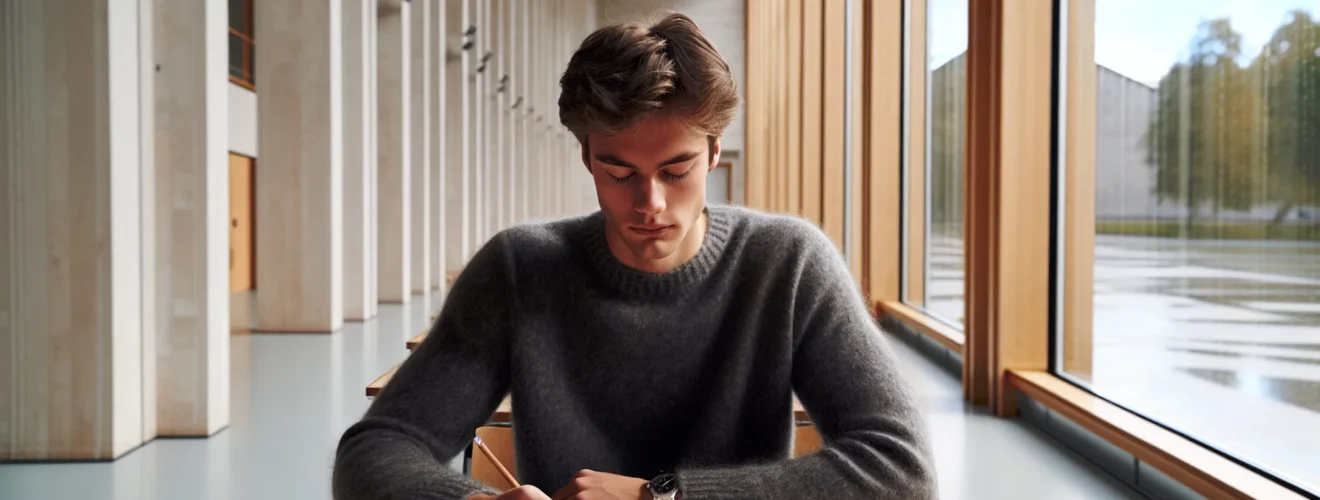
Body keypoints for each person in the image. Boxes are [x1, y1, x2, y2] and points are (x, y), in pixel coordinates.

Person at [333, 13, 936, 500]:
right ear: (586, 158)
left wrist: (661, 496)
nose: (650, 202)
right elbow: (377, 449)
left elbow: (903, 469)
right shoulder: (520, 269)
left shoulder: (789, 263)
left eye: (677, 170)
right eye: (618, 172)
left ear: (714, 154)